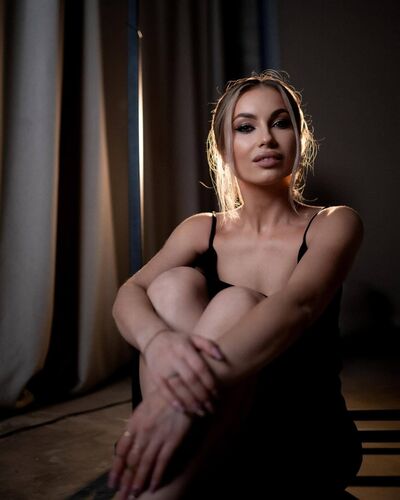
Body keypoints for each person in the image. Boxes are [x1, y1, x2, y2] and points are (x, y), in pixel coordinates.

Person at [108, 70, 363, 499]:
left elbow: (298, 304)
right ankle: (172, 474)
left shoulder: (334, 223)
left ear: (300, 140)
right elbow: (128, 294)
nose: (266, 138)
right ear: (224, 149)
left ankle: (160, 481)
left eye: (280, 123)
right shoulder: (199, 229)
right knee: (169, 287)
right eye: (246, 127)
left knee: (238, 304)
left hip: (298, 436)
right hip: (207, 428)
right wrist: (156, 341)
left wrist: (172, 402)